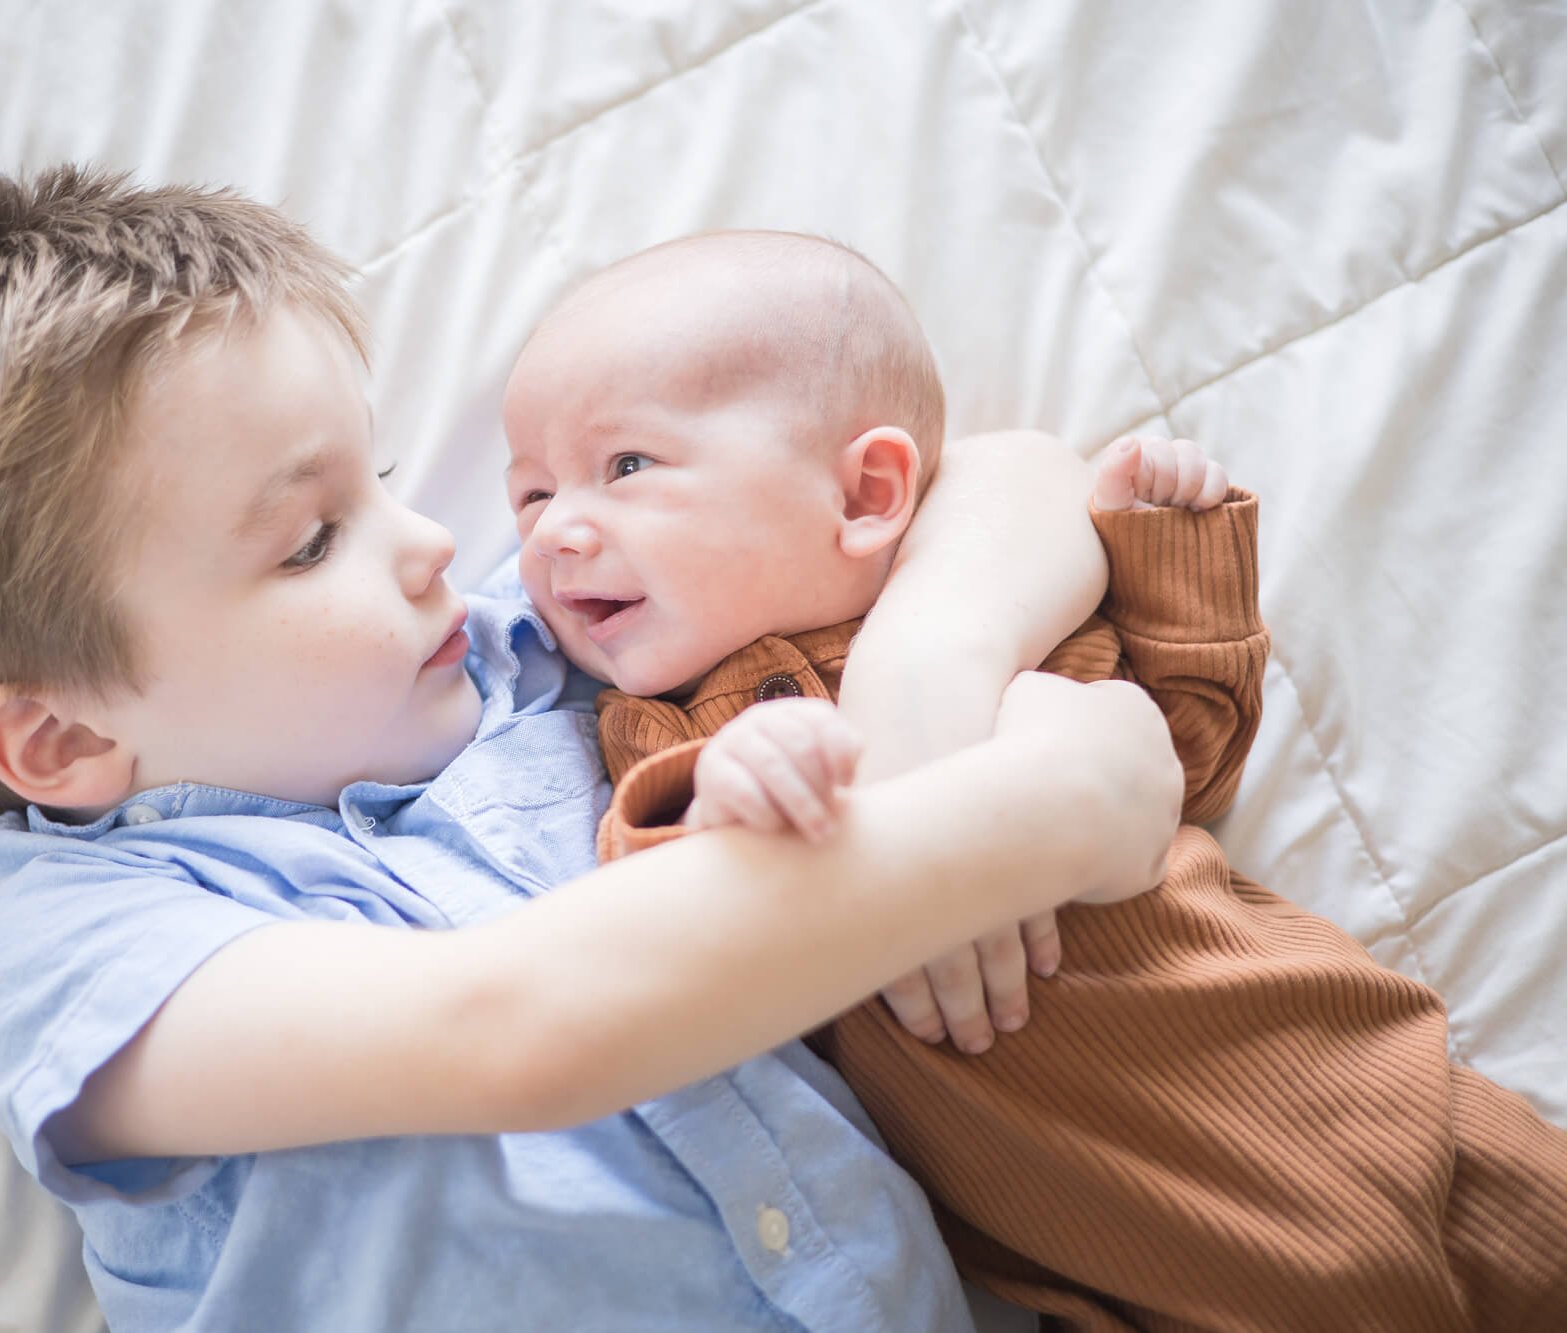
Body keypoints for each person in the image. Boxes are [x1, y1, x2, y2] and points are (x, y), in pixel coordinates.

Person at [0, 167, 1185, 1333]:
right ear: (65, 733)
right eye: (310, 539)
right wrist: (1054, 809)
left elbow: (996, 476)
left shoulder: (516, 657)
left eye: (385, 476)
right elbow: (517, 1030)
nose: (431, 544)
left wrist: (926, 690)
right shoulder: (73, 945)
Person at [501, 229, 1567, 1332]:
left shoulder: (988, 613)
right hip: (1141, 1268)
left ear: (867, 493)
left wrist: (1159, 542)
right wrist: (726, 799)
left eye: (625, 466)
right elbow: (674, 933)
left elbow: (1189, 751)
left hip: (1365, 1100)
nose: (556, 535)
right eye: (528, 497)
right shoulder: (662, 739)